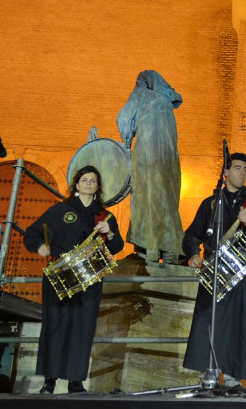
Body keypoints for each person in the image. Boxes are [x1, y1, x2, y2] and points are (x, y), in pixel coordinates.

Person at [23, 165, 123, 394]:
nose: (88, 183)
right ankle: (50, 380)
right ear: (77, 185)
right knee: (54, 327)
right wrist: (39, 246)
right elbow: (33, 232)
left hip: (89, 281)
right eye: (84, 180)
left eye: (93, 181)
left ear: (98, 187)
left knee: (82, 329)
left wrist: (109, 233)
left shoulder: (105, 216)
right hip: (59, 278)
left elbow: (117, 247)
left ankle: (75, 381)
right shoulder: (60, 211)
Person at [183, 152, 246, 387]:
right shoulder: (212, 203)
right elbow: (193, 234)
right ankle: (210, 370)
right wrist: (193, 254)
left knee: (239, 323)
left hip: (245, 276)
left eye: (245, 168)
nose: (242, 172)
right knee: (211, 321)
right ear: (225, 173)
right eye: (237, 168)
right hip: (216, 274)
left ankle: (234, 376)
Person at [116, 70, 184, 264]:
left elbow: (123, 118)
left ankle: (150, 247)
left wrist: (126, 143)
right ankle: (171, 247)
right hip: (170, 160)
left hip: (147, 156)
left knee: (146, 196)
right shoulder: (166, 103)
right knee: (168, 201)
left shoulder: (141, 94)